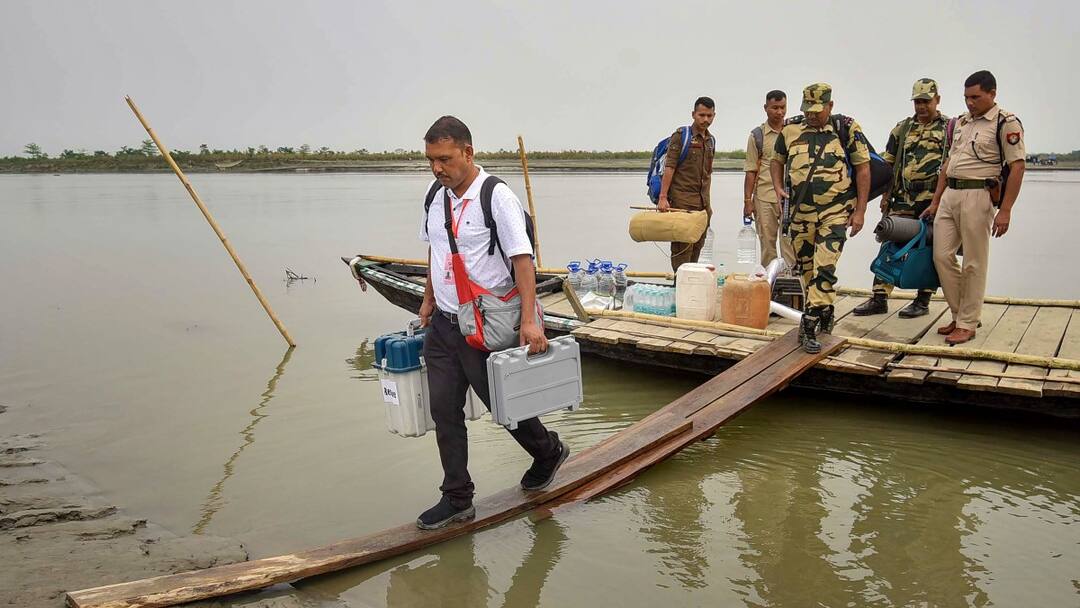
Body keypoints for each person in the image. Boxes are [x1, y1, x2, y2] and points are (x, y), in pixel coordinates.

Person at [416, 116, 567, 530]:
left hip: (487, 321)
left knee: (504, 405)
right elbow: (436, 253)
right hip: (445, 323)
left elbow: (523, 261)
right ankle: (457, 497)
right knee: (444, 410)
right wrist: (428, 300)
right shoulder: (435, 196)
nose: (437, 168)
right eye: (430, 160)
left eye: (444, 159)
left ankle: (548, 451)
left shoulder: (494, 196)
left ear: (468, 152)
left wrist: (531, 321)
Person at [921, 71, 1025, 345]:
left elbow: (1017, 167)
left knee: (974, 262)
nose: (970, 102)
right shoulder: (962, 122)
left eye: (976, 97)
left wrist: (1005, 210)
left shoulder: (1005, 122)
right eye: (967, 97)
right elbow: (947, 164)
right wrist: (935, 201)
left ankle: (967, 322)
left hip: (978, 195)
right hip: (950, 195)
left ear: (992, 93)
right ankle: (961, 314)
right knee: (941, 256)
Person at [771, 83, 870, 353]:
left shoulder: (846, 128)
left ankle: (809, 324)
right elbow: (776, 160)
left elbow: (863, 169)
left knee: (825, 267)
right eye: (808, 110)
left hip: (835, 211)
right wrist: (779, 187)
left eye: (817, 110)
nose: (812, 115)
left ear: (830, 106)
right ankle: (825, 311)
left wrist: (860, 210)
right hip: (801, 212)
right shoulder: (790, 129)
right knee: (808, 271)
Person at [854, 78, 949, 318]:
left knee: (929, 249)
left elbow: (951, 166)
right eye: (917, 101)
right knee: (889, 242)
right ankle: (879, 297)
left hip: (933, 200)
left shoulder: (949, 128)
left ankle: (923, 300)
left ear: (937, 100)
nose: (921, 106)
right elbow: (888, 164)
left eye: (926, 101)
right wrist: (886, 195)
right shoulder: (902, 128)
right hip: (903, 197)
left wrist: (941, 201)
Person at [657, 96, 717, 271]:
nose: (705, 119)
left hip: (703, 206)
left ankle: (691, 286)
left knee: (697, 249)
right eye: (701, 115)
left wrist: (707, 207)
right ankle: (679, 286)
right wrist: (663, 198)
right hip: (682, 204)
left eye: (709, 115)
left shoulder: (710, 141)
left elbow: (708, 174)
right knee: (682, 251)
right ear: (693, 114)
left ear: (714, 115)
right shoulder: (681, 136)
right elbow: (670, 167)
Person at [743, 90, 796, 268]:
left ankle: (791, 284)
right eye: (775, 108)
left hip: (791, 197)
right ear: (766, 108)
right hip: (765, 197)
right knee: (767, 245)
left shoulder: (795, 132)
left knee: (790, 243)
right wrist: (747, 201)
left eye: (783, 107)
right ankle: (769, 285)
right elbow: (751, 170)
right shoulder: (757, 136)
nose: (779, 112)